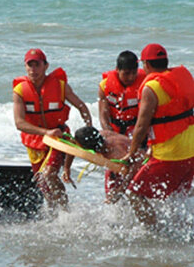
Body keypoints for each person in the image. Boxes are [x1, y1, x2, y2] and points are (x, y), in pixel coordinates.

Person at [121, 43, 194, 228]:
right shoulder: (183, 79)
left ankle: (157, 234)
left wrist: (131, 153)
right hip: (191, 151)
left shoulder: (151, 88)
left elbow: (141, 126)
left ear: (146, 64)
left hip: (170, 155)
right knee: (178, 194)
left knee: (134, 193)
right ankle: (183, 229)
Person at [13, 48, 92, 209]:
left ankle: (65, 212)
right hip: (36, 140)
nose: (33, 69)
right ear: (25, 67)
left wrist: (88, 127)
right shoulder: (20, 91)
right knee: (43, 184)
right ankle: (54, 215)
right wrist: (45, 132)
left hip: (58, 137)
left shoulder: (60, 86)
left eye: (37, 65)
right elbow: (19, 123)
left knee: (49, 174)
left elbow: (81, 106)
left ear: (46, 66)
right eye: (30, 65)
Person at [63, 126, 146, 204]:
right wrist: (66, 168)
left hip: (140, 165)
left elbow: (134, 168)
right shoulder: (98, 135)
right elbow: (73, 145)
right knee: (111, 196)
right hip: (120, 165)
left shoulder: (115, 153)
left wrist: (120, 191)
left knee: (132, 194)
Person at [98, 50, 145, 136]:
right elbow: (103, 115)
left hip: (138, 130)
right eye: (126, 73)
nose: (131, 77)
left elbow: (147, 116)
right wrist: (111, 134)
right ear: (117, 69)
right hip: (114, 129)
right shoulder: (104, 86)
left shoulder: (145, 85)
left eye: (134, 73)